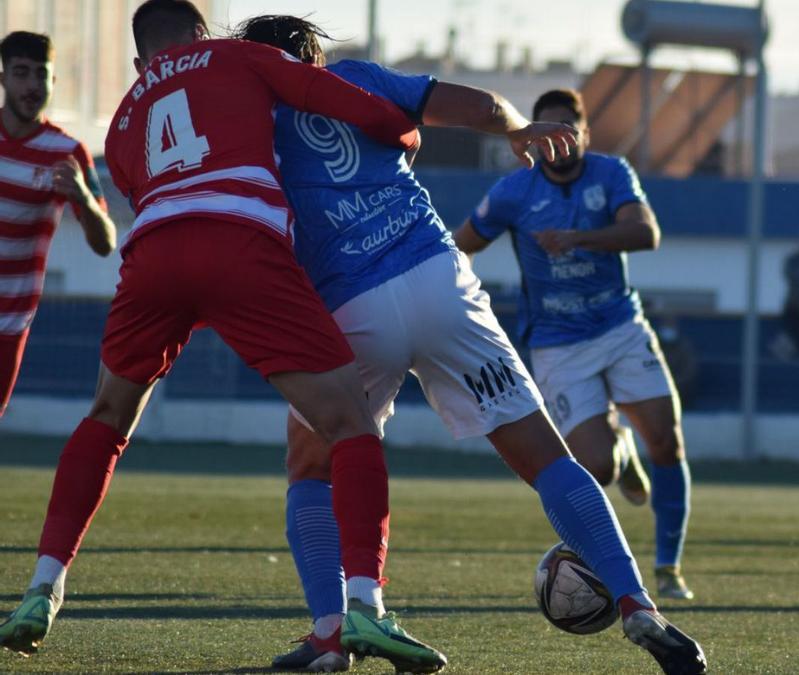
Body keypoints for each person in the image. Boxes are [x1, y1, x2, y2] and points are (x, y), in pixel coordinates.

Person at [234, 16, 706, 675]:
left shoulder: (248, 124)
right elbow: (477, 105)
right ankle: (637, 602)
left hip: (351, 306)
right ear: (315, 57)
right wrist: (516, 127)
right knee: (546, 455)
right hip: (437, 279)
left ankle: (330, 634)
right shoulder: (359, 78)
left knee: (313, 466)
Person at [0, 0, 428, 662]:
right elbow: (330, 94)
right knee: (351, 425)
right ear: (203, 34)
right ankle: (365, 606)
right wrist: (400, 131)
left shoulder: (126, 112)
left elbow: (141, 189)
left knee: (108, 417)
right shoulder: (240, 54)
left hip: (155, 254)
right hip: (240, 240)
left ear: (143, 61)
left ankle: (41, 588)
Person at [453, 89, 696, 601]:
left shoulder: (611, 174)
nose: (559, 141)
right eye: (548, 131)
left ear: (584, 134)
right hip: (558, 344)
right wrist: (459, 307)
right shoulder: (512, 192)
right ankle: (621, 453)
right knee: (598, 468)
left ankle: (669, 568)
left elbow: (646, 233)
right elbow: (460, 249)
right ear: (534, 138)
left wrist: (579, 239)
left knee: (668, 439)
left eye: (569, 129)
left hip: (620, 325)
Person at [0, 31, 116, 419]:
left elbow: (105, 244)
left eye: (41, 74)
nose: (33, 85)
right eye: (21, 73)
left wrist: (82, 197)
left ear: (53, 81)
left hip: (9, 324)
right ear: (3, 78)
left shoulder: (68, 154)